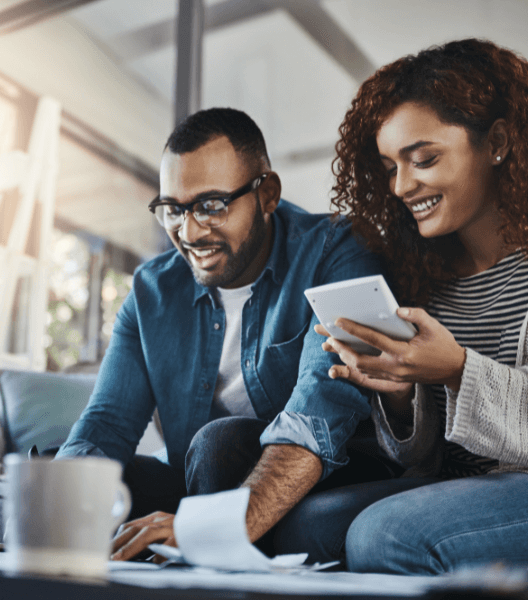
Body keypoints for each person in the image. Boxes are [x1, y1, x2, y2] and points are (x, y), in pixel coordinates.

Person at [275, 38, 528, 574]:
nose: (402, 186)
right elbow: (424, 459)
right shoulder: (427, 272)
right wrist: (403, 394)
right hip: (461, 487)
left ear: (496, 142)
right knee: (301, 529)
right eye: (389, 166)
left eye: (423, 159)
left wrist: (457, 370)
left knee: (388, 535)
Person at [56, 107, 392, 561]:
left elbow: (319, 415)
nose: (189, 232)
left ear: (267, 194)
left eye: (210, 205)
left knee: (218, 440)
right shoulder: (152, 290)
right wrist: (48, 508)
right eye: (172, 209)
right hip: (205, 478)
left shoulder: (340, 252)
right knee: (86, 481)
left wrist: (209, 528)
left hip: (325, 472)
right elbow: (107, 423)